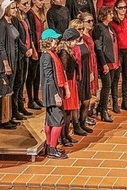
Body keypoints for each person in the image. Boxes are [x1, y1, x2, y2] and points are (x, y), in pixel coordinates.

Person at [0, 0, 28, 129]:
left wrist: (26, 51)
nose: (15, 10)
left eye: (15, 7)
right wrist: (6, 65)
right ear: (7, 9)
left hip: (15, 59)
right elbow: (1, 47)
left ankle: (11, 115)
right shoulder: (1, 25)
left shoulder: (12, 22)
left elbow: (18, 40)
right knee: (5, 91)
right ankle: (3, 120)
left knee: (13, 89)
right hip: (6, 62)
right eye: (13, 8)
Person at [39, 28, 70, 159]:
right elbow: (49, 77)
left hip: (52, 91)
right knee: (58, 120)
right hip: (51, 92)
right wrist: (56, 95)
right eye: (54, 39)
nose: (57, 42)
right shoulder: (47, 56)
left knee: (51, 119)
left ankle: (50, 146)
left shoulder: (50, 54)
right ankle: (52, 148)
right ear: (48, 41)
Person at [56, 28, 85, 146]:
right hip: (67, 82)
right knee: (65, 111)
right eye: (74, 41)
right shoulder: (63, 52)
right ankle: (62, 136)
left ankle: (66, 134)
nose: (76, 43)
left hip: (71, 81)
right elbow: (63, 70)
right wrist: (66, 87)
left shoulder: (68, 50)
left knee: (69, 111)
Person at [109, 0, 127, 112]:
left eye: (125, 7)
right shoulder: (112, 22)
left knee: (126, 76)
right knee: (116, 78)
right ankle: (115, 102)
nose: (123, 10)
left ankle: (125, 101)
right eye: (121, 8)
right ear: (116, 8)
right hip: (118, 52)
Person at [93, 6, 119, 123]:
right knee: (106, 86)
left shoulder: (109, 27)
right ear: (103, 15)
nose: (112, 15)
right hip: (105, 62)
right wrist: (104, 64)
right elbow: (98, 48)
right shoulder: (98, 28)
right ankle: (103, 110)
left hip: (113, 60)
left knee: (111, 84)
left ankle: (100, 108)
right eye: (110, 14)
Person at [69, 18, 94, 133]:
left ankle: (83, 122)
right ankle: (76, 125)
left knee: (86, 100)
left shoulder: (83, 41)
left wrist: (91, 72)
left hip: (86, 73)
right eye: (78, 29)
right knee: (76, 102)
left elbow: (88, 58)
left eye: (82, 29)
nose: (80, 31)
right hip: (76, 76)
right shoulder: (71, 44)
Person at [13, 0, 35, 117]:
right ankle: (17, 107)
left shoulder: (25, 17)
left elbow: (29, 34)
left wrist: (31, 48)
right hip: (20, 53)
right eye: (24, 4)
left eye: (27, 3)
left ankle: (21, 105)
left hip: (27, 51)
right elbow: (17, 38)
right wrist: (25, 49)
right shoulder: (16, 19)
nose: (26, 6)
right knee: (19, 81)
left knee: (23, 80)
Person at [25, 0, 46, 110]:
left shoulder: (41, 13)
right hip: (34, 47)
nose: (42, 2)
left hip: (41, 46)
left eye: (42, 0)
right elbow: (31, 33)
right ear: (33, 1)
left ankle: (37, 98)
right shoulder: (30, 14)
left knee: (38, 74)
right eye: (39, 0)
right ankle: (30, 99)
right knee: (32, 74)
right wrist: (33, 49)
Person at [77, 12, 98, 127]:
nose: (91, 23)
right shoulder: (82, 37)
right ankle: (83, 117)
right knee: (86, 92)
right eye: (88, 21)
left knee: (92, 90)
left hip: (93, 63)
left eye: (92, 21)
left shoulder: (89, 34)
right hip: (87, 65)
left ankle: (88, 113)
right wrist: (89, 70)